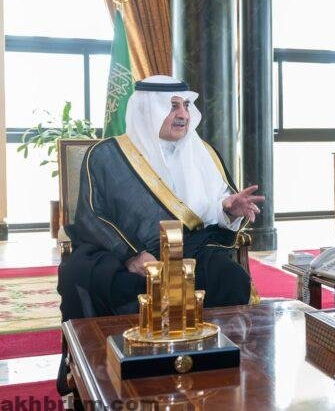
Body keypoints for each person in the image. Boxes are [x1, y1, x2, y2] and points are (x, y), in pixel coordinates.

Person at [58, 75, 263, 326]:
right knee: (88, 276)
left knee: (229, 276)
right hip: (123, 254)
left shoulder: (204, 154)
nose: (183, 115)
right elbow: (92, 216)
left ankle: (212, 348)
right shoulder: (105, 155)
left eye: (186, 105)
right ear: (148, 110)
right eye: (173, 106)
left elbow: (213, 211)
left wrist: (229, 211)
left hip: (189, 253)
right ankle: (112, 350)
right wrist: (132, 256)